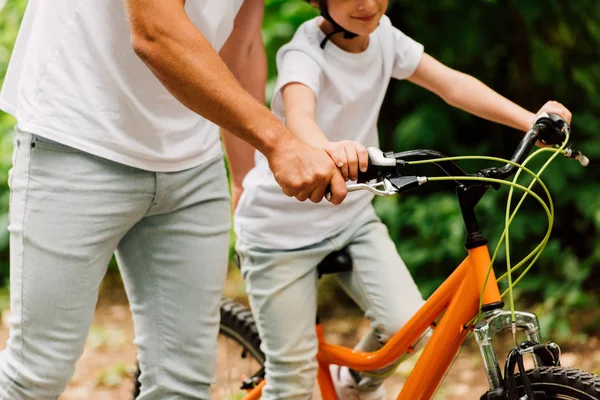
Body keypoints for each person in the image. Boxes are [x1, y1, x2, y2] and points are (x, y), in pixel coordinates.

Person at [0, 0, 350, 399]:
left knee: (182, 383)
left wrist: (244, 178)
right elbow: (155, 32)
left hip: (191, 162)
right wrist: (280, 143)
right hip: (77, 136)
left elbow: (243, 43)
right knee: (36, 373)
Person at [233, 0, 573, 398]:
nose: (368, 4)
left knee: (408, 325)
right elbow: (300, 119)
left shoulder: (384, 38)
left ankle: (351, 386)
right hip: (280, 231)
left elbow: (452, 85)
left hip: (349, 218)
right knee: (292, 380)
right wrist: (330, 150)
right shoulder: (303, 54)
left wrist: (529, 119)